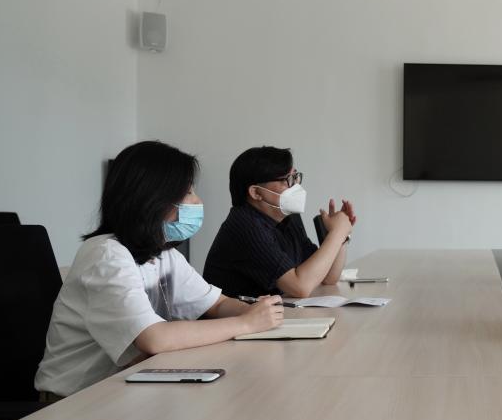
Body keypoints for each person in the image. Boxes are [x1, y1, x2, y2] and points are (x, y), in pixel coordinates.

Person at [35, 141, 283, 399]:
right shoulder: (106, 254)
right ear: (153, 199)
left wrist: (255, 312)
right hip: (74, 402)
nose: (197, 201)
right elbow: (154, 339)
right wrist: (245, 323)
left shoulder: (164, 255)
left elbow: (216, 304)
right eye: (188, 192)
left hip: (129, 388)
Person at [204, 146, 354, 298]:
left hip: (274, 311)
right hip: (234, 313)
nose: (296, 185)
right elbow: (300, 287)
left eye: (295, 176)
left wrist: (341, 235)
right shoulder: (244, 226)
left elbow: (328, 277)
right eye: (287, 180)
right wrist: (337, 232)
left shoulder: (287, 218)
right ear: (256, 192)